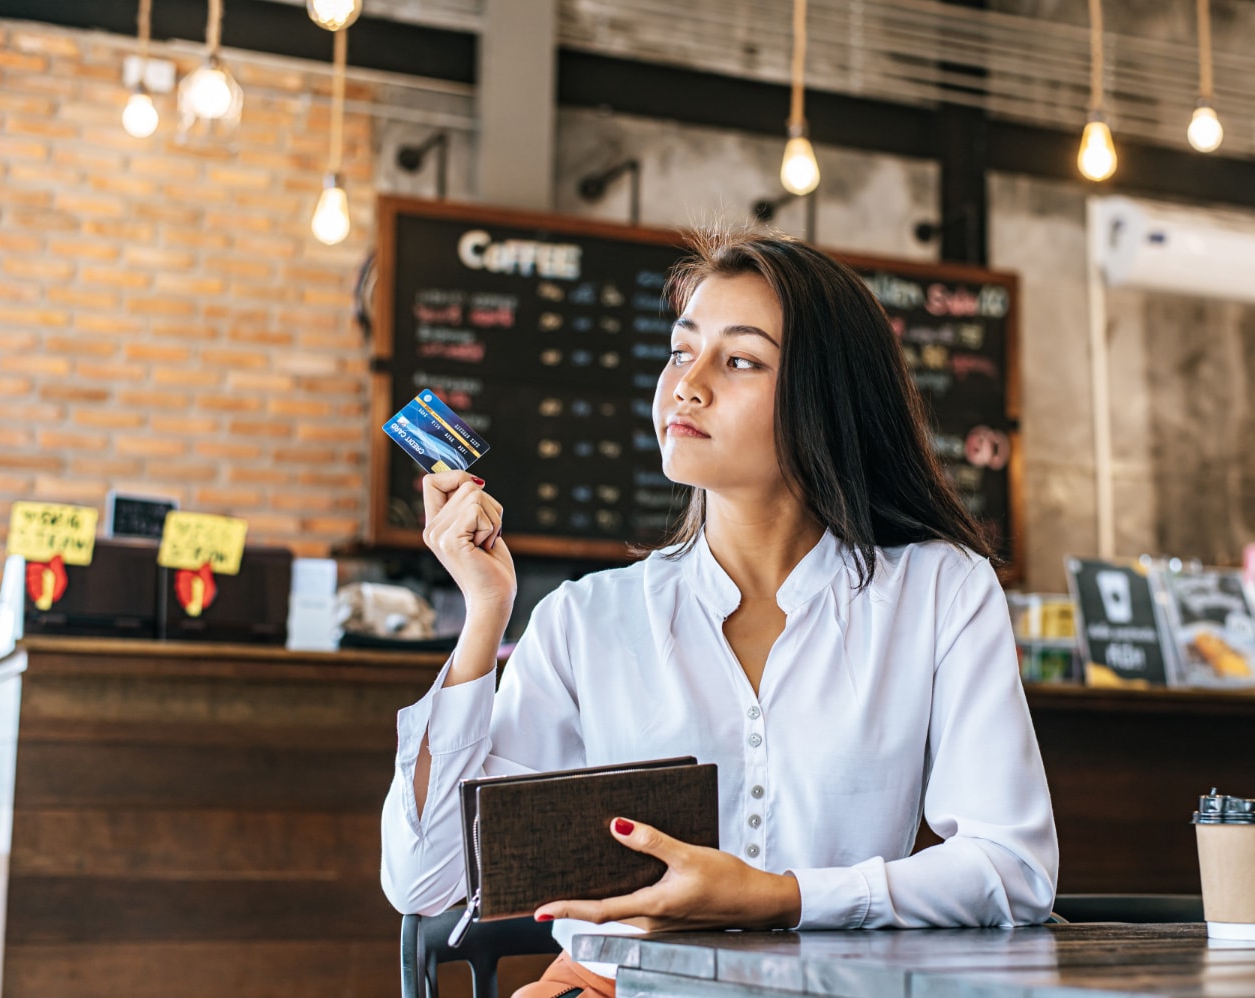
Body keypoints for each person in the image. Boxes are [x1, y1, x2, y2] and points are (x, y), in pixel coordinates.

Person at [381, 231, 1059, 998]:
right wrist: (484, 616)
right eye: (680, 352)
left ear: (826, 396)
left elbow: (1013, 868)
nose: (687, 385)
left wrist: (779, 898)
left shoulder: (940, 592)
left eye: (738, 361)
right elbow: (424, 879)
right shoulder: (584, 620)